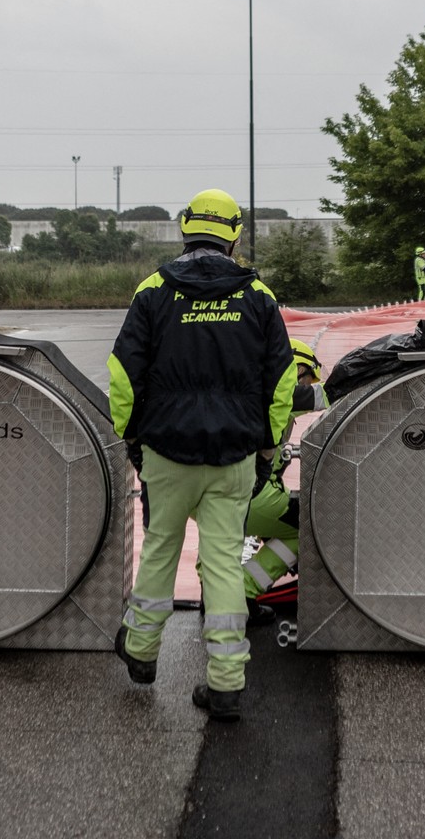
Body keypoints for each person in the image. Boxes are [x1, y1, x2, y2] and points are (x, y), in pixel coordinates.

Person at [110, 188, 298, 720]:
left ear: (185, 228)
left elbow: (123, 375)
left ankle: (142, 653)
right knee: (220, 561)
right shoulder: (257, 295)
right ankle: (226, 683)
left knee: (162, 546)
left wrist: (131, 436)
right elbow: (281, 380)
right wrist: (267, 446)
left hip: (166, 450)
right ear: (234, 236)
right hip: (235, 454)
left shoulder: (154, 289)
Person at [240, 338, 328, 611]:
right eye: (307, 378)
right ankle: (244, 590)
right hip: (254, 493)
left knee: (218, 540)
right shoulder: (281, 394)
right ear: (296, 366)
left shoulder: (245, 387)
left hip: (213, 489)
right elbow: (329, 394)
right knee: (311, 525)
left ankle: (214, 598)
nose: (307, 385)